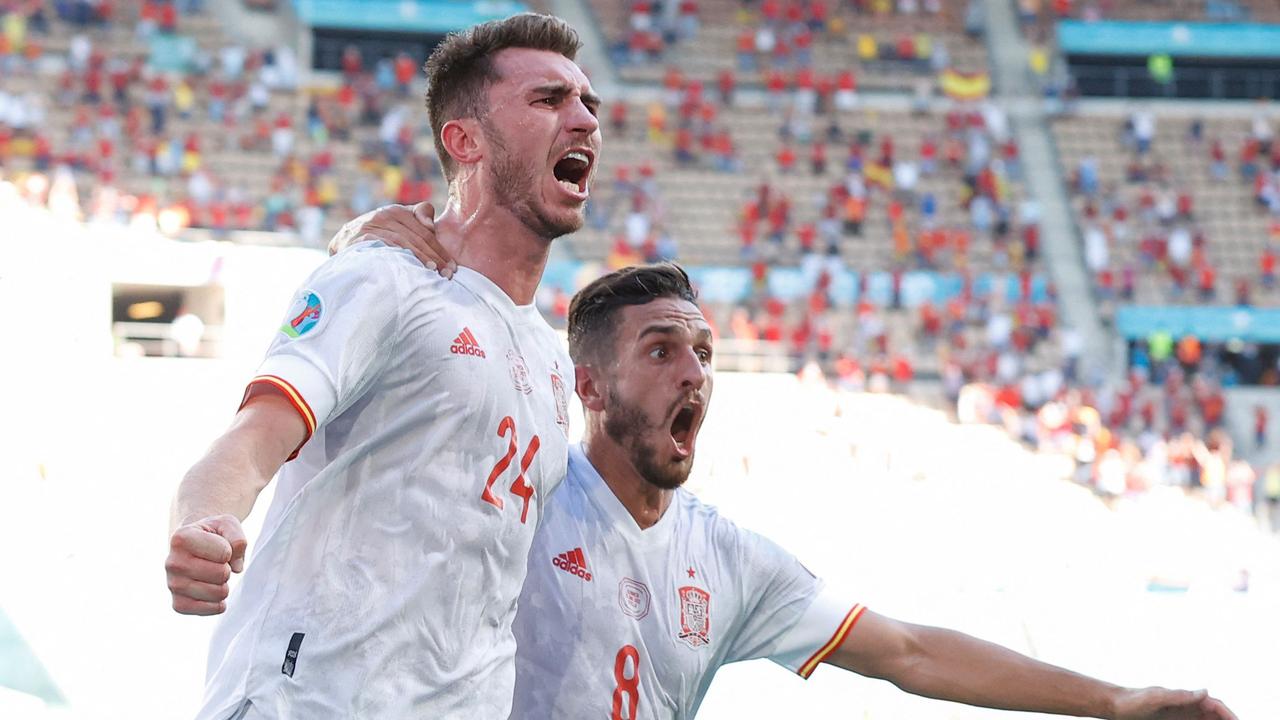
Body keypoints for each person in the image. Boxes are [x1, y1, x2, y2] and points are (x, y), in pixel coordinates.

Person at [331, 214, 1236, 719]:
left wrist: (1116, 703)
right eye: (660, 352)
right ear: (590, 388)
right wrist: (362, 251)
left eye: (704, 353)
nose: (694, 373)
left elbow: (909, 654)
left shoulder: (726, 557)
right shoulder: (519, 503)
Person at [163, 13, 601, 718]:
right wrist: (205, 521)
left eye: (588, 104)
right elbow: (250, 441)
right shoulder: (382, 280)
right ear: (465, 140)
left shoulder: (550, 361)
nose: (584, 119)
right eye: (549, 100)